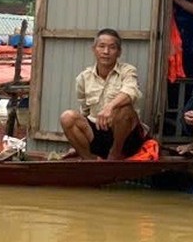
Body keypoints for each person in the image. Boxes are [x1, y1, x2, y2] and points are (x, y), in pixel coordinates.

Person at [59, 28, 147, 160]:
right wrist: (77, 143)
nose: (106, 52)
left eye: (112, 47)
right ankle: (90, 160)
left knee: (125, 110)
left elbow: (131, 92)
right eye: (102, 46)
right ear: (94, 49)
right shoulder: (84, 77)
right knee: (67, 117)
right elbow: (84, 110)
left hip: (125, 137)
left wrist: (109, 107)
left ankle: (114, 155)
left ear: (119, 52)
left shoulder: (127, 71)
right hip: (97, 133)